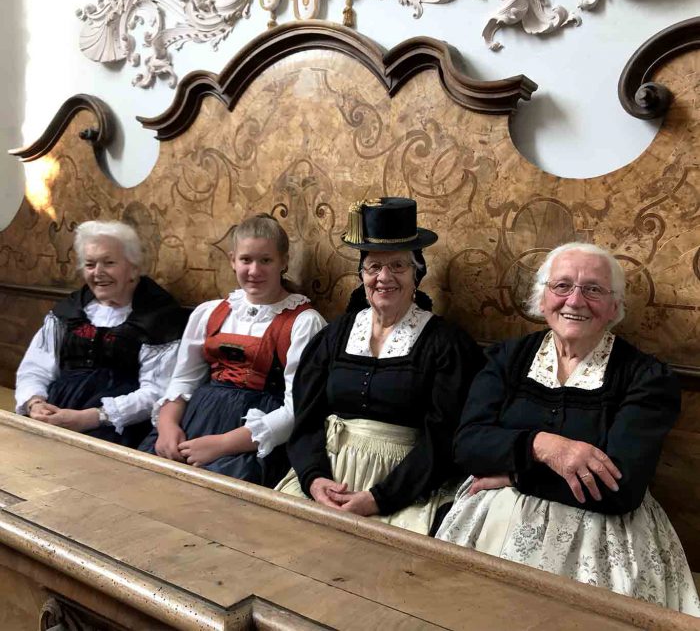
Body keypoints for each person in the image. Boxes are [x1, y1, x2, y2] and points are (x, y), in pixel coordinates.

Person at [436, 242, 700, 614]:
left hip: (603, 535)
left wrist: (515, 476)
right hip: (492, 524)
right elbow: (467, 446)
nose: (575, 300)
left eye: (593, 289)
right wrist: (543, 446)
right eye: (562, 286)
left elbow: (619, 490)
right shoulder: (507, 358)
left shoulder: (646, 377)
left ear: (614, 306)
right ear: (542, 299)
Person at [277, 197, 484, 534]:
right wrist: (314, 480)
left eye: (398, 266)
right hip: (324, 478)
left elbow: (444, 438)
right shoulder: (334, 336)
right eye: (373, 267)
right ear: (362, 274)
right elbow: (306, 419)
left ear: (417, 273)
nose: (384, 277)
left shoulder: (445, 345)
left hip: (403, 487)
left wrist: (379, 498)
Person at [139, 213, 326, 485]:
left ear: (283, 262)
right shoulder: (208, 313)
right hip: (195, 421)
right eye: (246, 260)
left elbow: (297, 410)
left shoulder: (304, 322)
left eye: (266, 260)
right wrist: (167, 427)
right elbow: (182, 379)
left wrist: (222, 445)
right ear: (232, 260)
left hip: (252, 440)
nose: (254, 270)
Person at [15, 220, 188, 446]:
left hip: (120, 426)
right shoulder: (68, 312)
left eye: (109, 263)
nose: (98, 273)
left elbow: (157, 392)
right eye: (89, 264)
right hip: (56, 411)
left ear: (133, 268)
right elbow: (35, 367)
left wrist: (92, 417)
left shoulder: (158, 317)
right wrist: (35, 403)